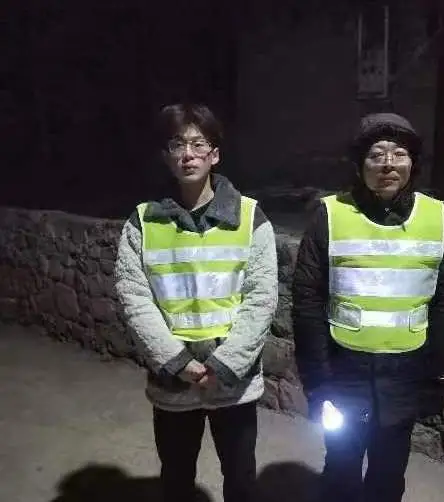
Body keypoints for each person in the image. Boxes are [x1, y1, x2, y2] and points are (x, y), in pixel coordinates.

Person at [292, 113, 444, 502]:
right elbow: (307, 301)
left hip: (404, 375)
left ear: (412, 163)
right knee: (341, 471)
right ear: (359, 164)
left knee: (388, 476)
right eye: (376, 154)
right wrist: (317, 381)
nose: (388, 164)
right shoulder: (330, 215)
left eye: (399, 154)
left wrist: (440, 374)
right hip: (344, 373)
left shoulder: (435, 217)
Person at [114, 103, 278, 502]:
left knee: (241, 479)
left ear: (214, 154)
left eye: (198, 144)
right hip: (173, 380)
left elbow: (261, 298)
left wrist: (223, 365)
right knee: (176, 479)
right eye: (177, 144)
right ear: (166, 156)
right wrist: (178, 362)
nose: (188, 154)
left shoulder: (249, 217)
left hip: (233, 380)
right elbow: (135, 298)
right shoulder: (143, 221)